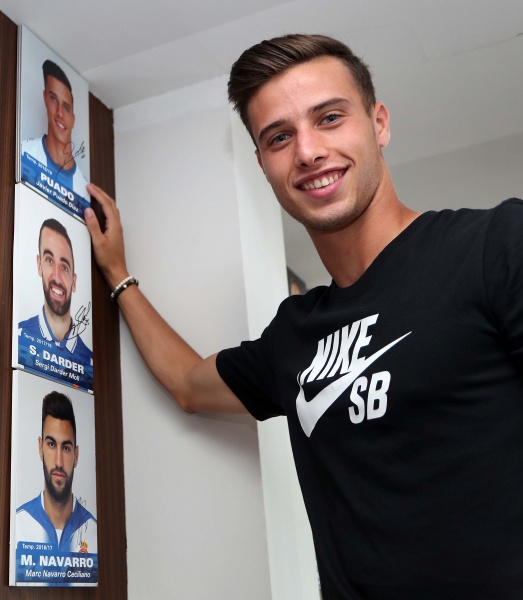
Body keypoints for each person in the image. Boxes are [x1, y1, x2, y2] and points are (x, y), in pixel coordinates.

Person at [85, 34, 523, 599]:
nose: (308, 151)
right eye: (279, 137)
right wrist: (118, 274)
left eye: (330, 118)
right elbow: (189, 383)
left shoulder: (496, 245)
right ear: (263, 165)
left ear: (379, 123)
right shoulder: (295, 334)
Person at [15, 391, 97, 584]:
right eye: (51, 444)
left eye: (66, 448)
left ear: (76, 456)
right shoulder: (18, 526)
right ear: (40, 448)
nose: (59, 462)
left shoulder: (93, 531)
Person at [18, 218, 93, 391]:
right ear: (39, 265)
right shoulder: (19, 335)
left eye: (64, 267)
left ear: (74, 282)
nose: (57, 277)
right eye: (49, 260)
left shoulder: (90, 362)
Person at [21, 59, 89, 219]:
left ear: (73, 119)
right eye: (53, 99)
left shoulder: (84, 191)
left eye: (66, 107)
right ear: (45, 97)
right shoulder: (22, 154)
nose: (59, 113)